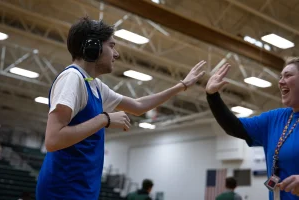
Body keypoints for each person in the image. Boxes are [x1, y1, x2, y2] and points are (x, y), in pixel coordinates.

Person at [36, 16, 206, 200]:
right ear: (93, 47)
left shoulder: (94, 85)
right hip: (63, 190)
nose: (116, 54)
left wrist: (182, 86)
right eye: (112, 46)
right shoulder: (72, 78)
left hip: (79, 189)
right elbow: (53, 140)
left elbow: (139, 106)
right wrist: (105, 119)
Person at [205, 58, 299, 200]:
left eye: (288, 75)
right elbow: (234, 127)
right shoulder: (274, 118)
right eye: (280, 77)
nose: (280, 81)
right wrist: (213, 97)